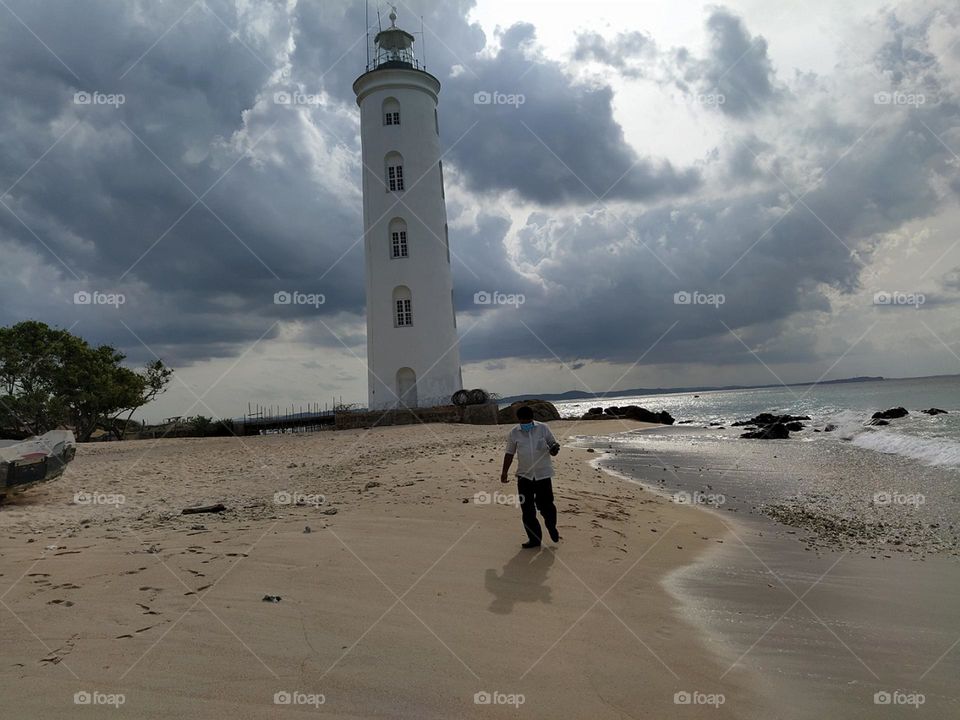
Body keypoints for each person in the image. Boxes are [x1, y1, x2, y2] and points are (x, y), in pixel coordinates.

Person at [500, 406, 562, 548]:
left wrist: (554, 449)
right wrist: (504, 472)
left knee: (546, 506)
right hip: (524, 476)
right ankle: (534, 539)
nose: (525, 423)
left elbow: (553, 446)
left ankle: (551, 526)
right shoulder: (514, 433)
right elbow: (509, 453)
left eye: (528, 421)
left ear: (532, 418)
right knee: (527, 510)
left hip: (543, 475)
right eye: (523, 421)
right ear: (519, 420)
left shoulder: (543, 428)